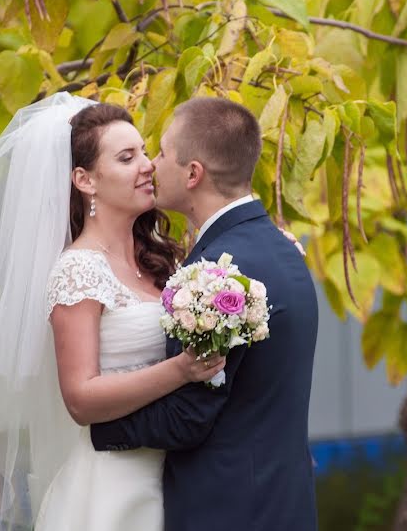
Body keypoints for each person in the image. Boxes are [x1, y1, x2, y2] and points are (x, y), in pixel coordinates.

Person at [0, 93, 225, 531]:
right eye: (127, 157)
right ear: (85, 180)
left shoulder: (161, 260)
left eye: (146, 152)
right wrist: (182, 370)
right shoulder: (77, 271)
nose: (147, 164)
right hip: (112, 487)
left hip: (174, 475)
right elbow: (80, 398)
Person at [90, 96, 321, 531]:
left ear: (193, 173)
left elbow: (188, 418)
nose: (151, 165)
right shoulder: (283, 250)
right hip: (283, 503)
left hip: (226, 509)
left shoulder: (216, 274)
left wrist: (94, 431)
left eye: (160, 153)